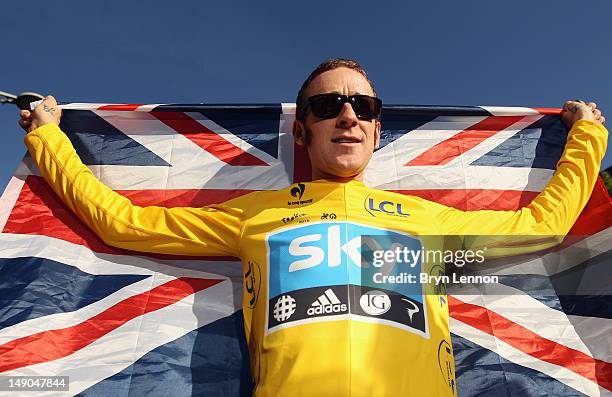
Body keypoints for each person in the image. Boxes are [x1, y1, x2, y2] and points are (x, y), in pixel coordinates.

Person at [18, 59, 608, 397]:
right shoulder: (258, 214)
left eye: (364, 108)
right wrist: (48, 136)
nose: (348, 116)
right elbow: (123, 223)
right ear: (302, 133)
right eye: (327, 108)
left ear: (377, 130)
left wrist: (587, 135)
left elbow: (547, 223)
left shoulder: (426, 219)